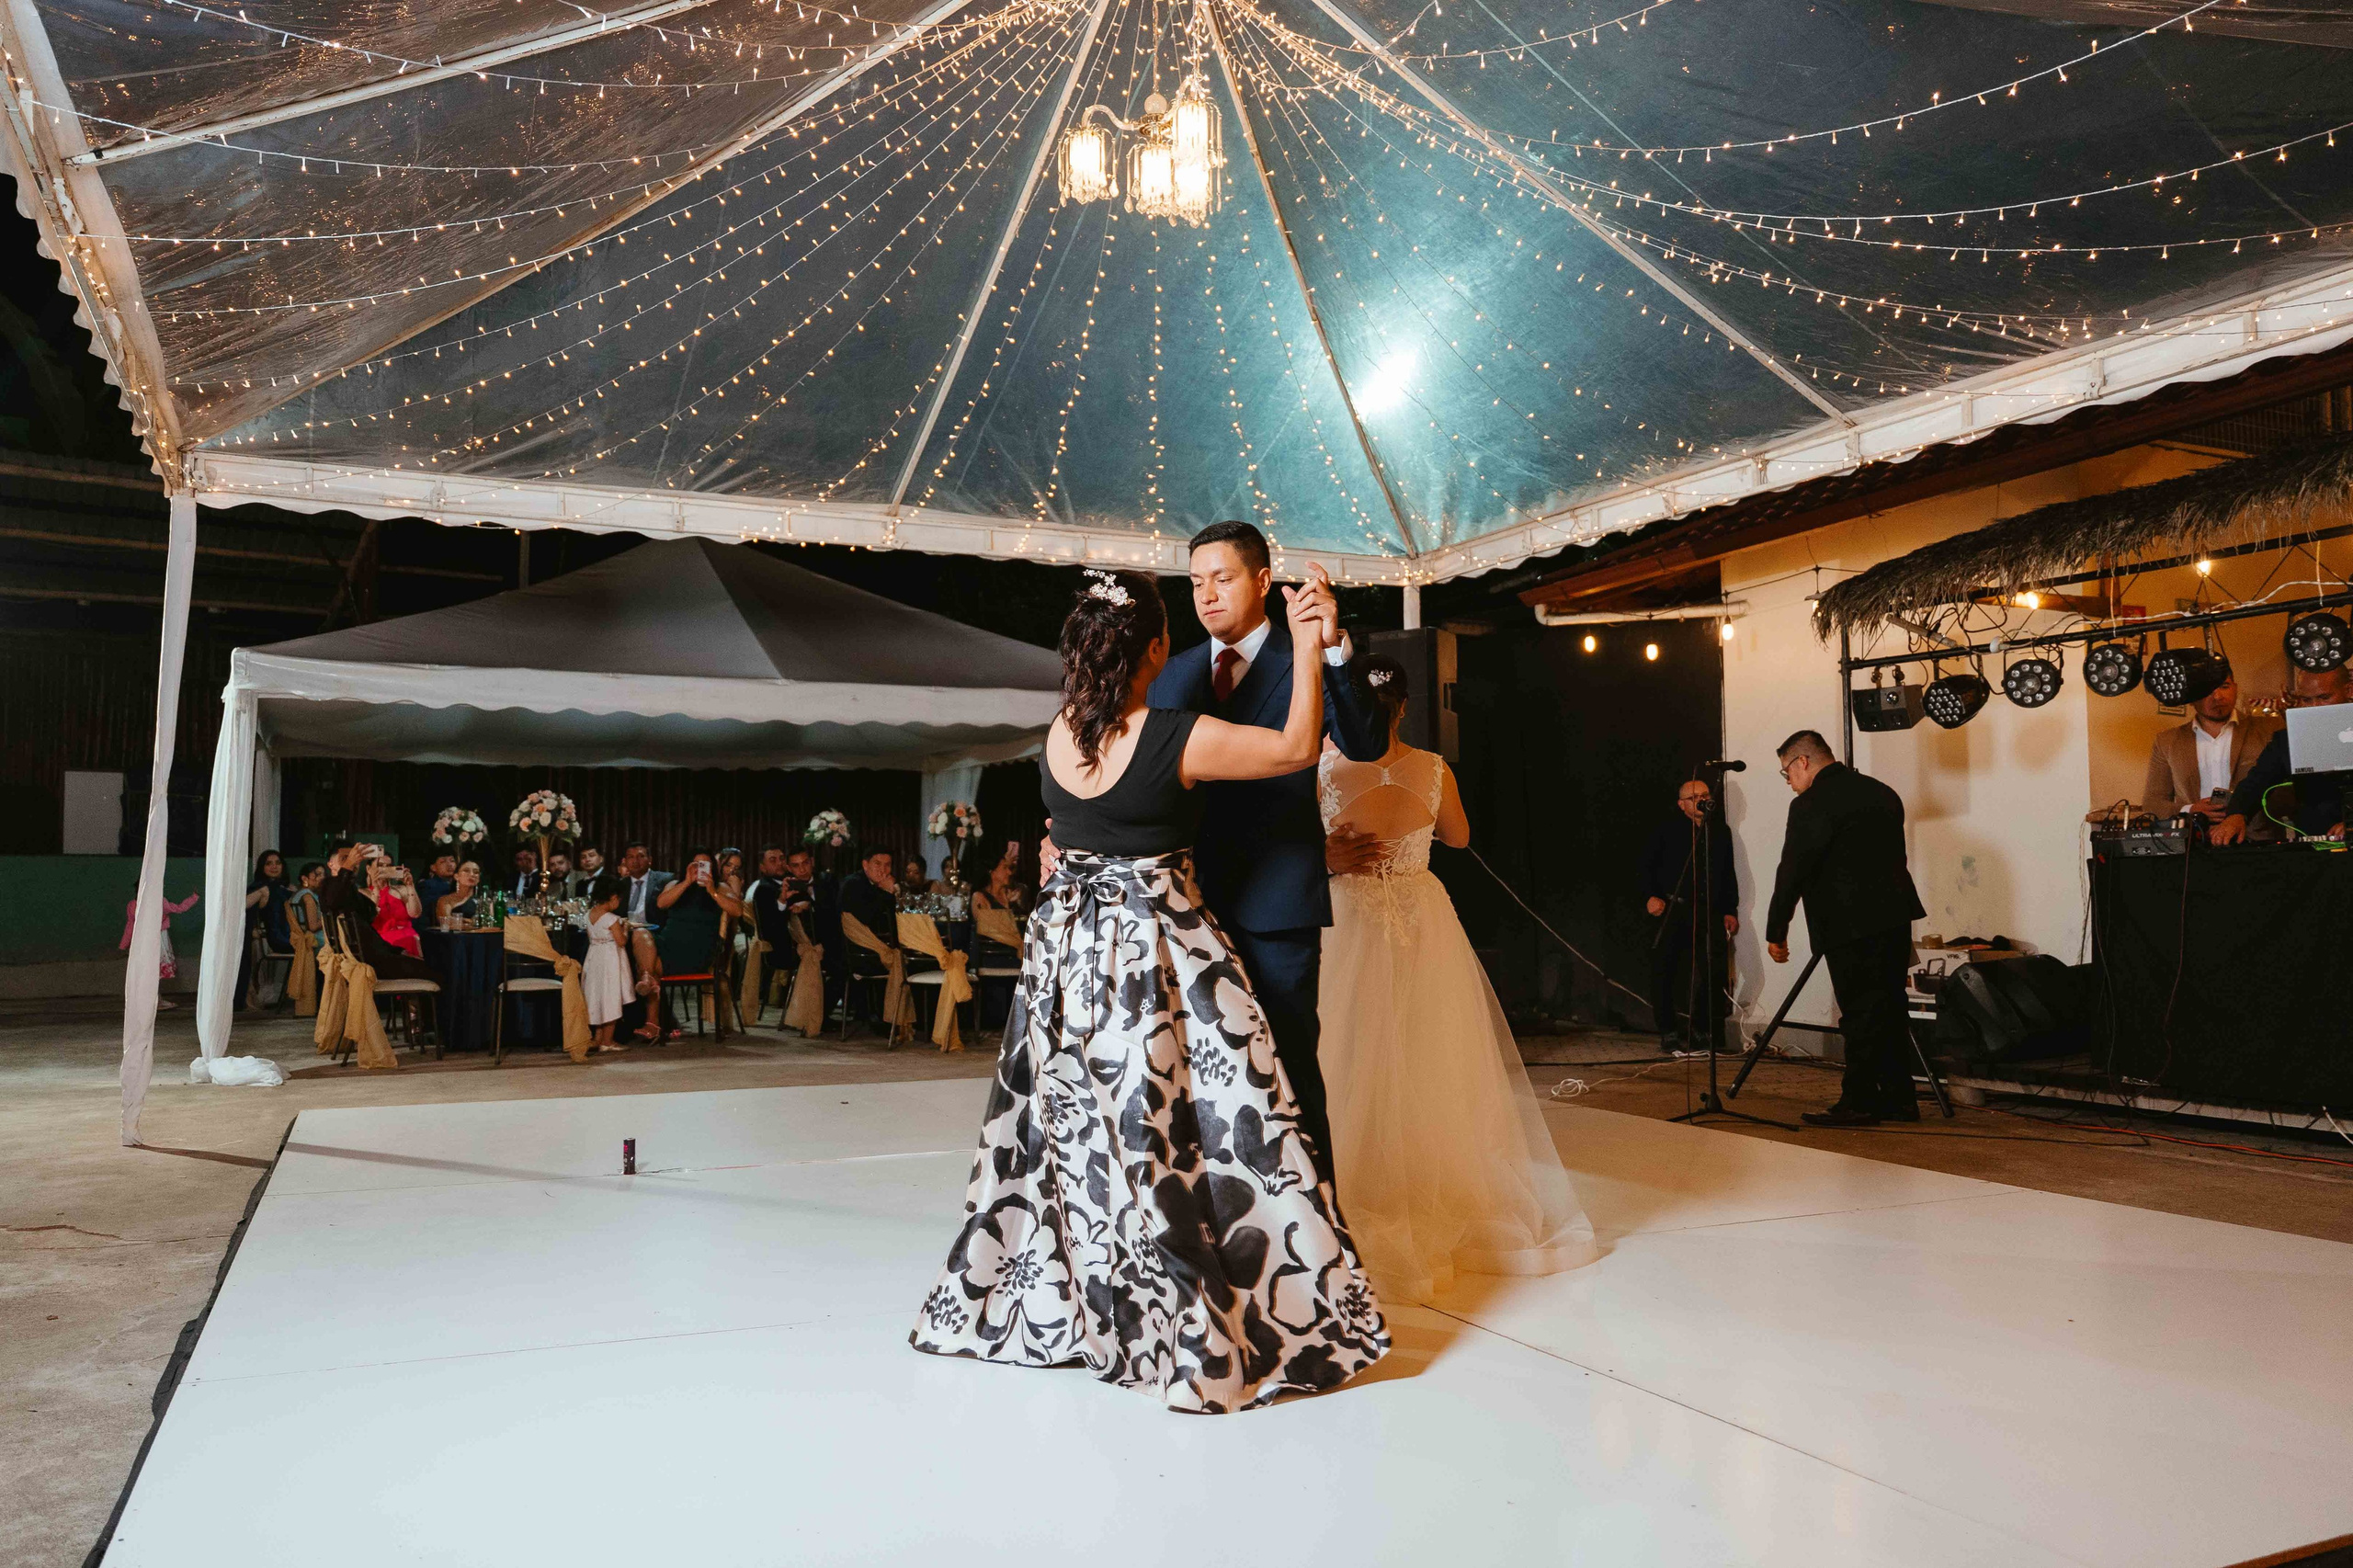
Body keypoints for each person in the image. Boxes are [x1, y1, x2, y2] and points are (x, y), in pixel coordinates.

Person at [911, 566, 1387, 1413]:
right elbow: (1291, 748)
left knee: (1080, 1131)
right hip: (1154, 953)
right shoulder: (1175, 734)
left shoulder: (1060, 731)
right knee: (1196, 1126)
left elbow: (1069, 829)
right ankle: (1207, 1316)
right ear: (1157, 649)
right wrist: (1309, 649)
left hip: (1066, 955)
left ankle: (1091, 1299)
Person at [1316, 655, 1597, 1301]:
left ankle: (1350, 1187)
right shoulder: (1433, 767)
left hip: (1348, 915)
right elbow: (1461, 836)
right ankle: (1428, 1184)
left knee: (1346, 1052)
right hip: (1420, 915)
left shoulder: (1326, 769)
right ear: (1407, 705)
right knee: (1429, 1056)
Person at [1132, 519, 1388, 1186]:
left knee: (1291, 1066)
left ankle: (1324, 1228)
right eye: (1195, 583)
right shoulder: (1175, 672)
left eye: (1222, 578)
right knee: (1195, 1074)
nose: (1207, 595)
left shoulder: (1302, 651)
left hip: (1278, 907)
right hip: (1185, 910)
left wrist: (1331, 651)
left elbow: (1364, 746)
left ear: (1264, 581)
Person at [1764, 732, 1927, 1128]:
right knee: (1888, 1008)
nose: (1789, 780)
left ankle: (1858, 1101)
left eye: (1786, 772)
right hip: (1893, 918)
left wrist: (1776, 928)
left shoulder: (1811, 804)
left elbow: (1794, 870)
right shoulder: (1883, 793)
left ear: (1802, 761)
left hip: (1847, 922)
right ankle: (1899, 1099)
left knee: (1858, 1013)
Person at [1638, 778, 1739, 1050]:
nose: (1702, 800)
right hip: (1673, 908)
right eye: (1695, 797)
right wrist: (1650, 896)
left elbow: (1728, 873)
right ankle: (1669, 1030)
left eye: (1705, 795)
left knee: (1713, 972)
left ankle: (1702, 1030)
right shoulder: (1666, 831)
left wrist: (1731, 909)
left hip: (1708, 911)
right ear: (1682, 804)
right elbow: (1645, 865)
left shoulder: (1720, 831)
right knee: (1666, 971)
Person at [2211, 661, 2353, 844]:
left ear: (2348, 690)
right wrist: (2237, 813)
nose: (2315, 707)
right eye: (2307, 700)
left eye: (2324, 697)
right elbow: (2256, 781)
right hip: (2317, 845)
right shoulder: (2288, 739)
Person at [2142, 657, 2279, 823]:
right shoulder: (2167, 741)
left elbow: (2289, 792)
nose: (2218, 696)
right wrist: (2190, 809)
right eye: (2207, 690)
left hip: (2257, 838)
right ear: (2191, 697)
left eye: (2224, 686)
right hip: (2196, 839)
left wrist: (2242, 811)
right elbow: (2153, 803)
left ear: (2235, 688)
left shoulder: (2270, 729)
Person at [319, 843, 439, 982]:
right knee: (435, 972)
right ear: (331, 864)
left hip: (379, 953)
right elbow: (333, 900)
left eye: (355, 859)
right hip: (367, 960)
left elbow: (369, 920)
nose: (352, 863)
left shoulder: (350, 890)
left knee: (430, 964)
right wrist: (348, 867)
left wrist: (397, 951)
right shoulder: (329, 886)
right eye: (344, 859)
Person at [120, 887, 199, 1006]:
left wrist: (194, 897)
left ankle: (154, 1000)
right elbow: (131, 925)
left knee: (152, 971)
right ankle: (154, 1000)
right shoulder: (137, 905)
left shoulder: (156, 903)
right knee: (150, 971)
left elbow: (130, 925)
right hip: (149, 940)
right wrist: (124, 944)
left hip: (151, 940)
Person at [582, 874, 631, 1053]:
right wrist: (625, 928)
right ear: (613, 897)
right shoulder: (611, 918)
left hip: (594, 956)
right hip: (610, 959)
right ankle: (608, 1041)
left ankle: (597, 1038)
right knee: (611, 998)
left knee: (597, 998)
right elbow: (621, 941)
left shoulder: (589, 914)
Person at [243, 849, 293, 1007]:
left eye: (278, 863)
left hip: (292, 934)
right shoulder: (261, 888)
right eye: (269, 863)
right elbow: (241, 906)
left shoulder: (289, 888)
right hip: (278, 938)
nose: (274, 867)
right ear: (262, 867)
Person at [366, 854, 426, 961]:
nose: (384, 869)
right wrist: (375, 888)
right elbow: (369, 917)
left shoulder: (401, 890)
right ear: (369, 869)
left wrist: (410, 886)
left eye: (388, 866)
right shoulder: (364, 893)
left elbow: (415, 913)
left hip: (408, 935)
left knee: (411, 939)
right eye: (380, 865)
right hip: (382, 940)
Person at [434, 860, 484, 926]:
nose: (472, 875)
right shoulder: (446, 900)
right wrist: (470, 922)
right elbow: (446, 921)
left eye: (476, 872)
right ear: (456, 876)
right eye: (466, 871)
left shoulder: (484, 901)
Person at [415, 853, 460, 918]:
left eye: (452, 861)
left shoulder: (458, 884)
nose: (449, 865)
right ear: (433, 867)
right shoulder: (427, 885)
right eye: (443, 861)